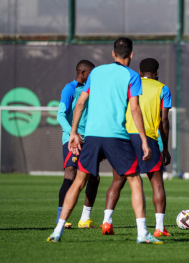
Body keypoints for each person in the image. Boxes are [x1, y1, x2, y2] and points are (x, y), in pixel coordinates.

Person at [47, 37, 162, 244]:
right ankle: (143, 233)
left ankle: (57, 230)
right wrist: (144, 140)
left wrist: (73, 132)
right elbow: (135, 109)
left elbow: (81, 103)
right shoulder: (132, 76)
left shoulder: (96, 72)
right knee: (135, 181)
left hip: (92, 136)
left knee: (78, 182)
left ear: (112, 53)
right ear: (131, 54)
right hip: (116, 137)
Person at [101, 58, 172, 237]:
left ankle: (107, 222)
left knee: (117, 181)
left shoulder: (130, 84)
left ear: (139, 73)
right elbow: (164, 120)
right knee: (156, 183)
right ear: (157, 72)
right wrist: (165, 148)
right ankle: (159, 228)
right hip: (147, 138)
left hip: (122, 138)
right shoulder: (162, 89)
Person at [56, 60, 99, 229]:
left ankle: (85, 219)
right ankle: (61, 218)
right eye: (91, 74)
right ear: (82, 73)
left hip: (90, 139)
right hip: (72, 139)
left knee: (94, 177)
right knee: (71, 173)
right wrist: (73, 133)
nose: (93, 77)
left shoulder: (92, 90)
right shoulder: (70, 89)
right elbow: (60, 115)